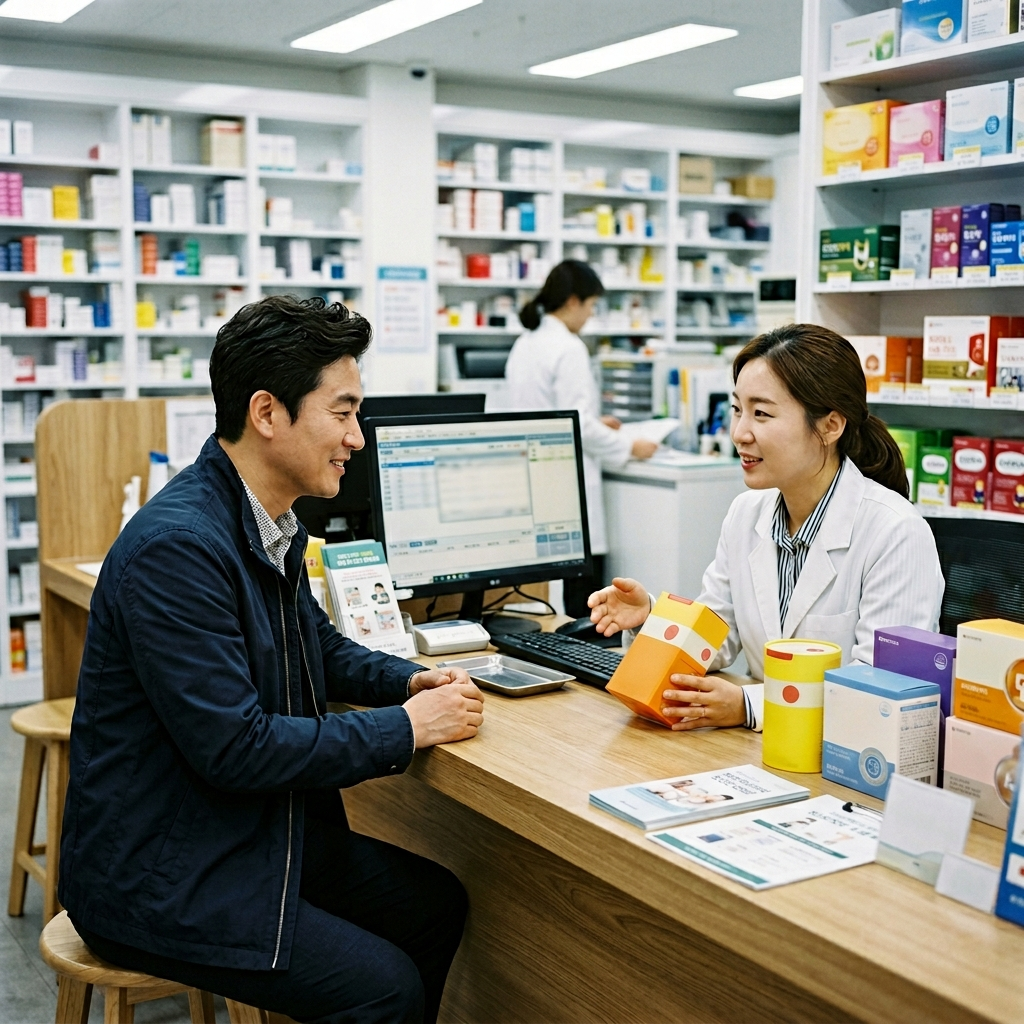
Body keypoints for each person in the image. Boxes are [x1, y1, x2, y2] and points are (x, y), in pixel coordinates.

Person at [59, 295, 485, 1024]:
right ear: (266, 412)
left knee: (433, 905)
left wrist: (407, 678)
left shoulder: (263, 518)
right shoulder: (179, 548)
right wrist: (406, 728)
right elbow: (237, 749)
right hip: (161, 873)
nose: (357, 437)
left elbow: (311, 643)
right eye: (343, 412)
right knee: (382, 988)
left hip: (240, 834)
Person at [588, 323, 945, 732]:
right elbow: (716, 634)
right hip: (765, 755)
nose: (740, 433)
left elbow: (880, 693)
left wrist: (748, 705)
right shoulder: (746, 514)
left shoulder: (896, 533)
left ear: (830, 426)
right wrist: (650, 617)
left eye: (762, 413)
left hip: (851, 765)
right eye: (738, 409)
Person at [504, 260, 658, 618]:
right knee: (580, 597)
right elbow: (579, 426)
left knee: (547, 590)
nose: (590, 316)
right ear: (573, 301)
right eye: (590, 306)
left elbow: (550, 413)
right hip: (565, 477)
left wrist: (593, 421)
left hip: (533, 474)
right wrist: (629, 446)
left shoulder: (526, 343)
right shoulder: (568, 347)